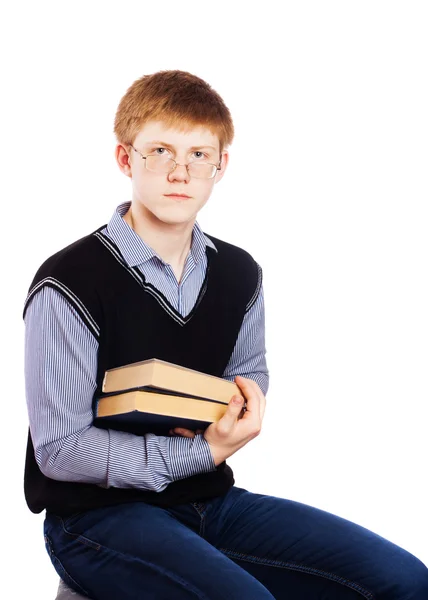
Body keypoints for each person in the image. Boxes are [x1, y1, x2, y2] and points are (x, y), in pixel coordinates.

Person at [23, 70, 428, 600]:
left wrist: (236, 409)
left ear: (221, 165)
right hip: (95, 521)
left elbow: (249, 371)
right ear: (126, 159)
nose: (180, 171)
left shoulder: (239, 272)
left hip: (209, 503)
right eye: (160, 151)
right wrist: (201, 451)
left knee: (406, 582)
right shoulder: (69, 280)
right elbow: (59, 450)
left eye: (198, 155)